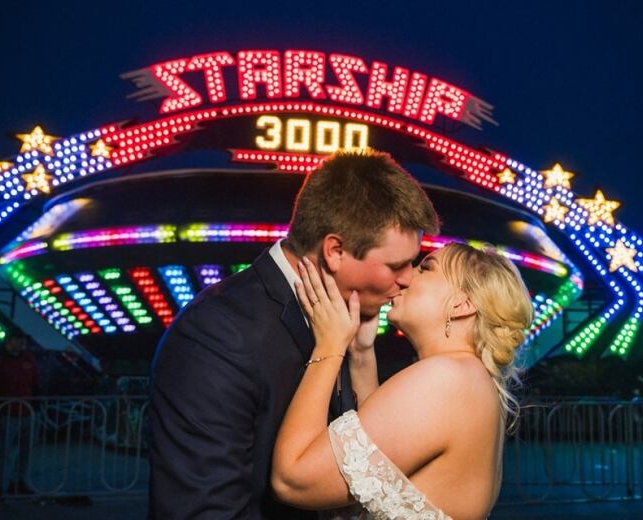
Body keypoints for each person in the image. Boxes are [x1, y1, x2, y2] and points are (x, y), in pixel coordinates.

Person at [149, 149, 439, 518]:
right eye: (396, 264)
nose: (408, 278)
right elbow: (205, 509)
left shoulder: (350, 320)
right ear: (334, 250)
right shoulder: (218, 333)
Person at [272, 243, 534, 520]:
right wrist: (361, 352)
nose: (407, 277)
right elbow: (378, 454)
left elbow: (293, 480)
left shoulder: (446, 378)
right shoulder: (469, 377)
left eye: (426, 268)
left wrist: (328, 346)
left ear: (462, 303)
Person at [0, 333, 39, 498]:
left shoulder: (28, 360)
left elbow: (34, 384)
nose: (22, 343)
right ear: (9, 342)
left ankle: (18, 481)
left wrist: (36, 408)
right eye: (18, 340)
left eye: (23, 340)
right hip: (6, 413)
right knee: (0, 451)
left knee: (25, 449)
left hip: (26, 412)